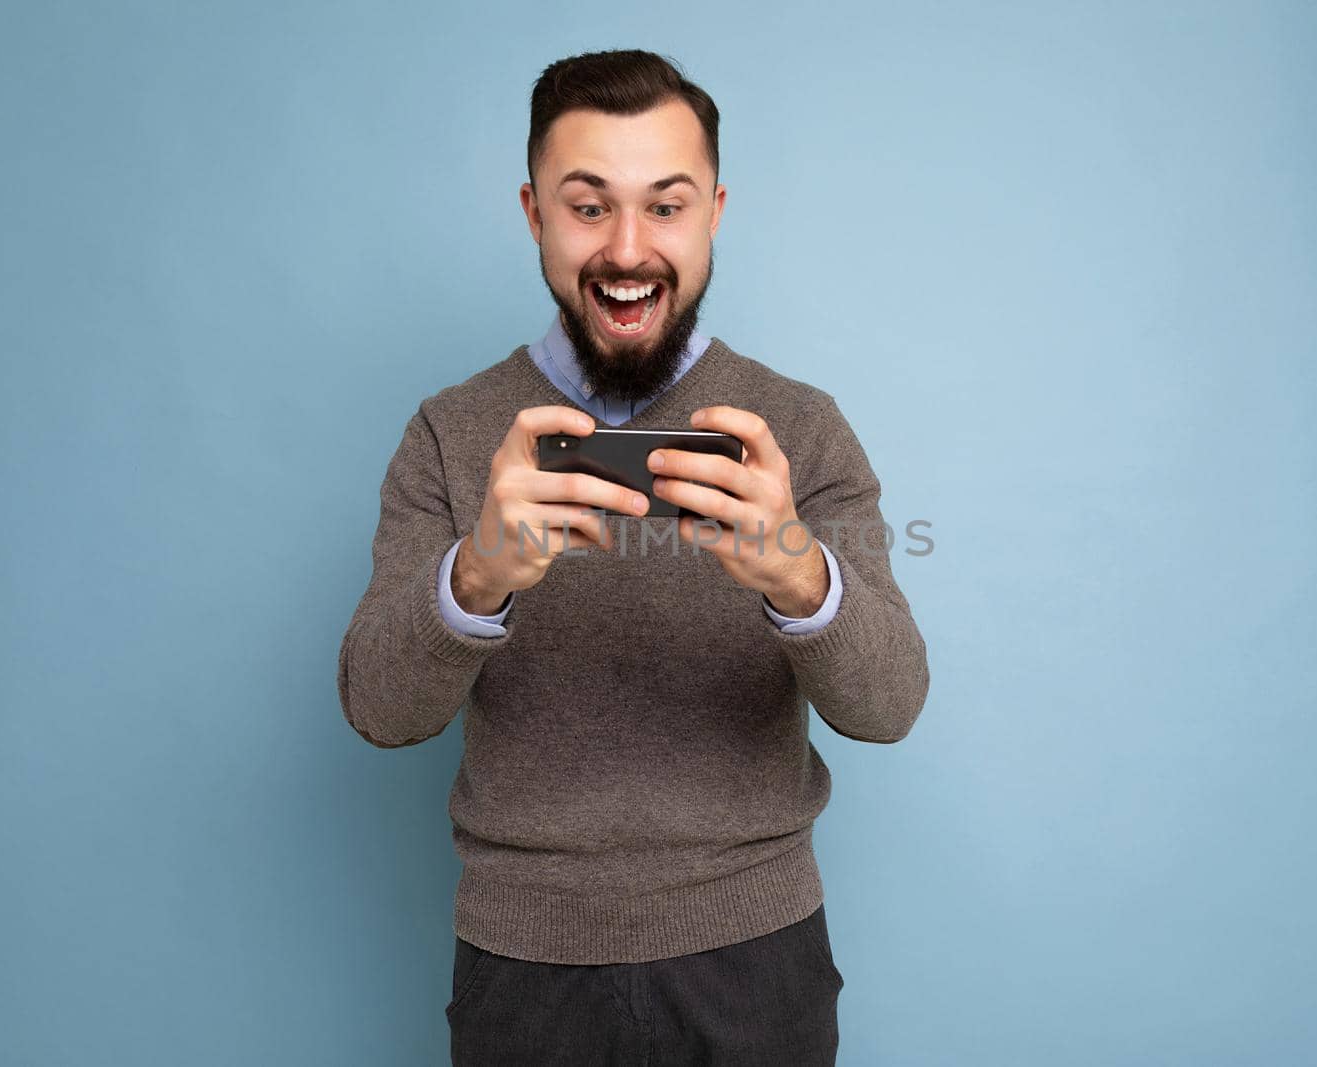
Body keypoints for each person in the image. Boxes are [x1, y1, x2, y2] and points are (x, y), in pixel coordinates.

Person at [336, 48, 930, 1065]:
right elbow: (380, 711)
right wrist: (474, 577)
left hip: (756, 964)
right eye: (587, 205)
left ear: (713, 212)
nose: (626, 248)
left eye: (665, 205)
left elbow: (889, 705)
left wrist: (799, 574)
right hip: (520, 969)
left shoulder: (799, 428)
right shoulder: (449, 431)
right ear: (533, 214)